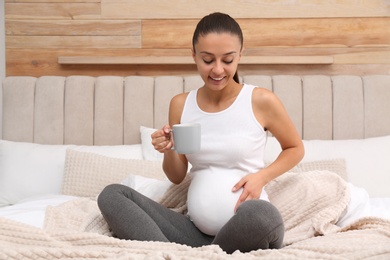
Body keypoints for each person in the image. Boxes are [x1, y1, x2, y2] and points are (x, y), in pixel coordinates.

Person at [98, 12, 304, 254]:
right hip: (194, 235)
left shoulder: (260, 100)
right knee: (112, 195)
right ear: (194, 55)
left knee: (262, 215)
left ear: (240, 55)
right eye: (208, 60)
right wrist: (169, 147)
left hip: (249, 228)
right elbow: (176, 175)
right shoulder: (181, 104)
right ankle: (191, 255)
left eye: (227, 60)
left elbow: (295, 148)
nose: (217, 70)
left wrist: (262, 177)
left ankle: (181, 255)